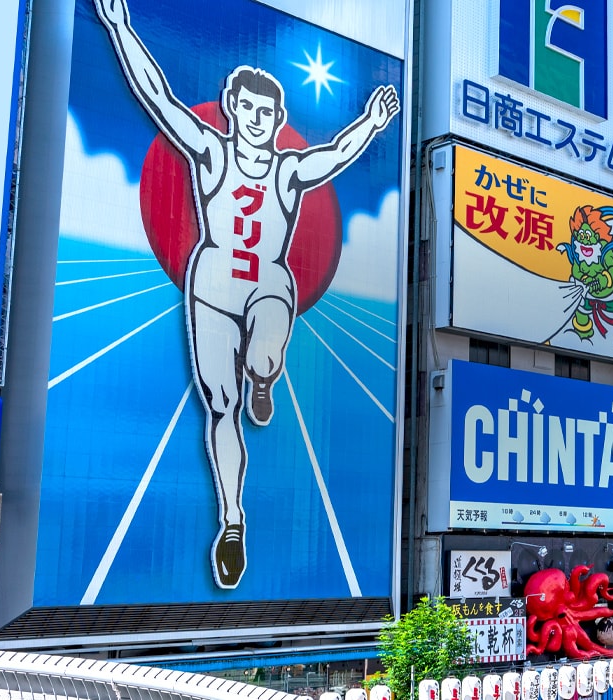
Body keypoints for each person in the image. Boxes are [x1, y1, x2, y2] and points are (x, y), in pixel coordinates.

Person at [95, 0, 400, 588]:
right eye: (248, 107)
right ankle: (232, 521)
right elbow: (159, 98)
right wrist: (120, 26)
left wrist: (372, 123)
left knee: (263, 350)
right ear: (233, 109)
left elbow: (334, 155)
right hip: (210, 286)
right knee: (219, 405)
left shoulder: (286, 171)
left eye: (268, 110)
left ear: (278, 116)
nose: (257, 118)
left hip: (266, 283)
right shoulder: (209, 153)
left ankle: (265, 376)